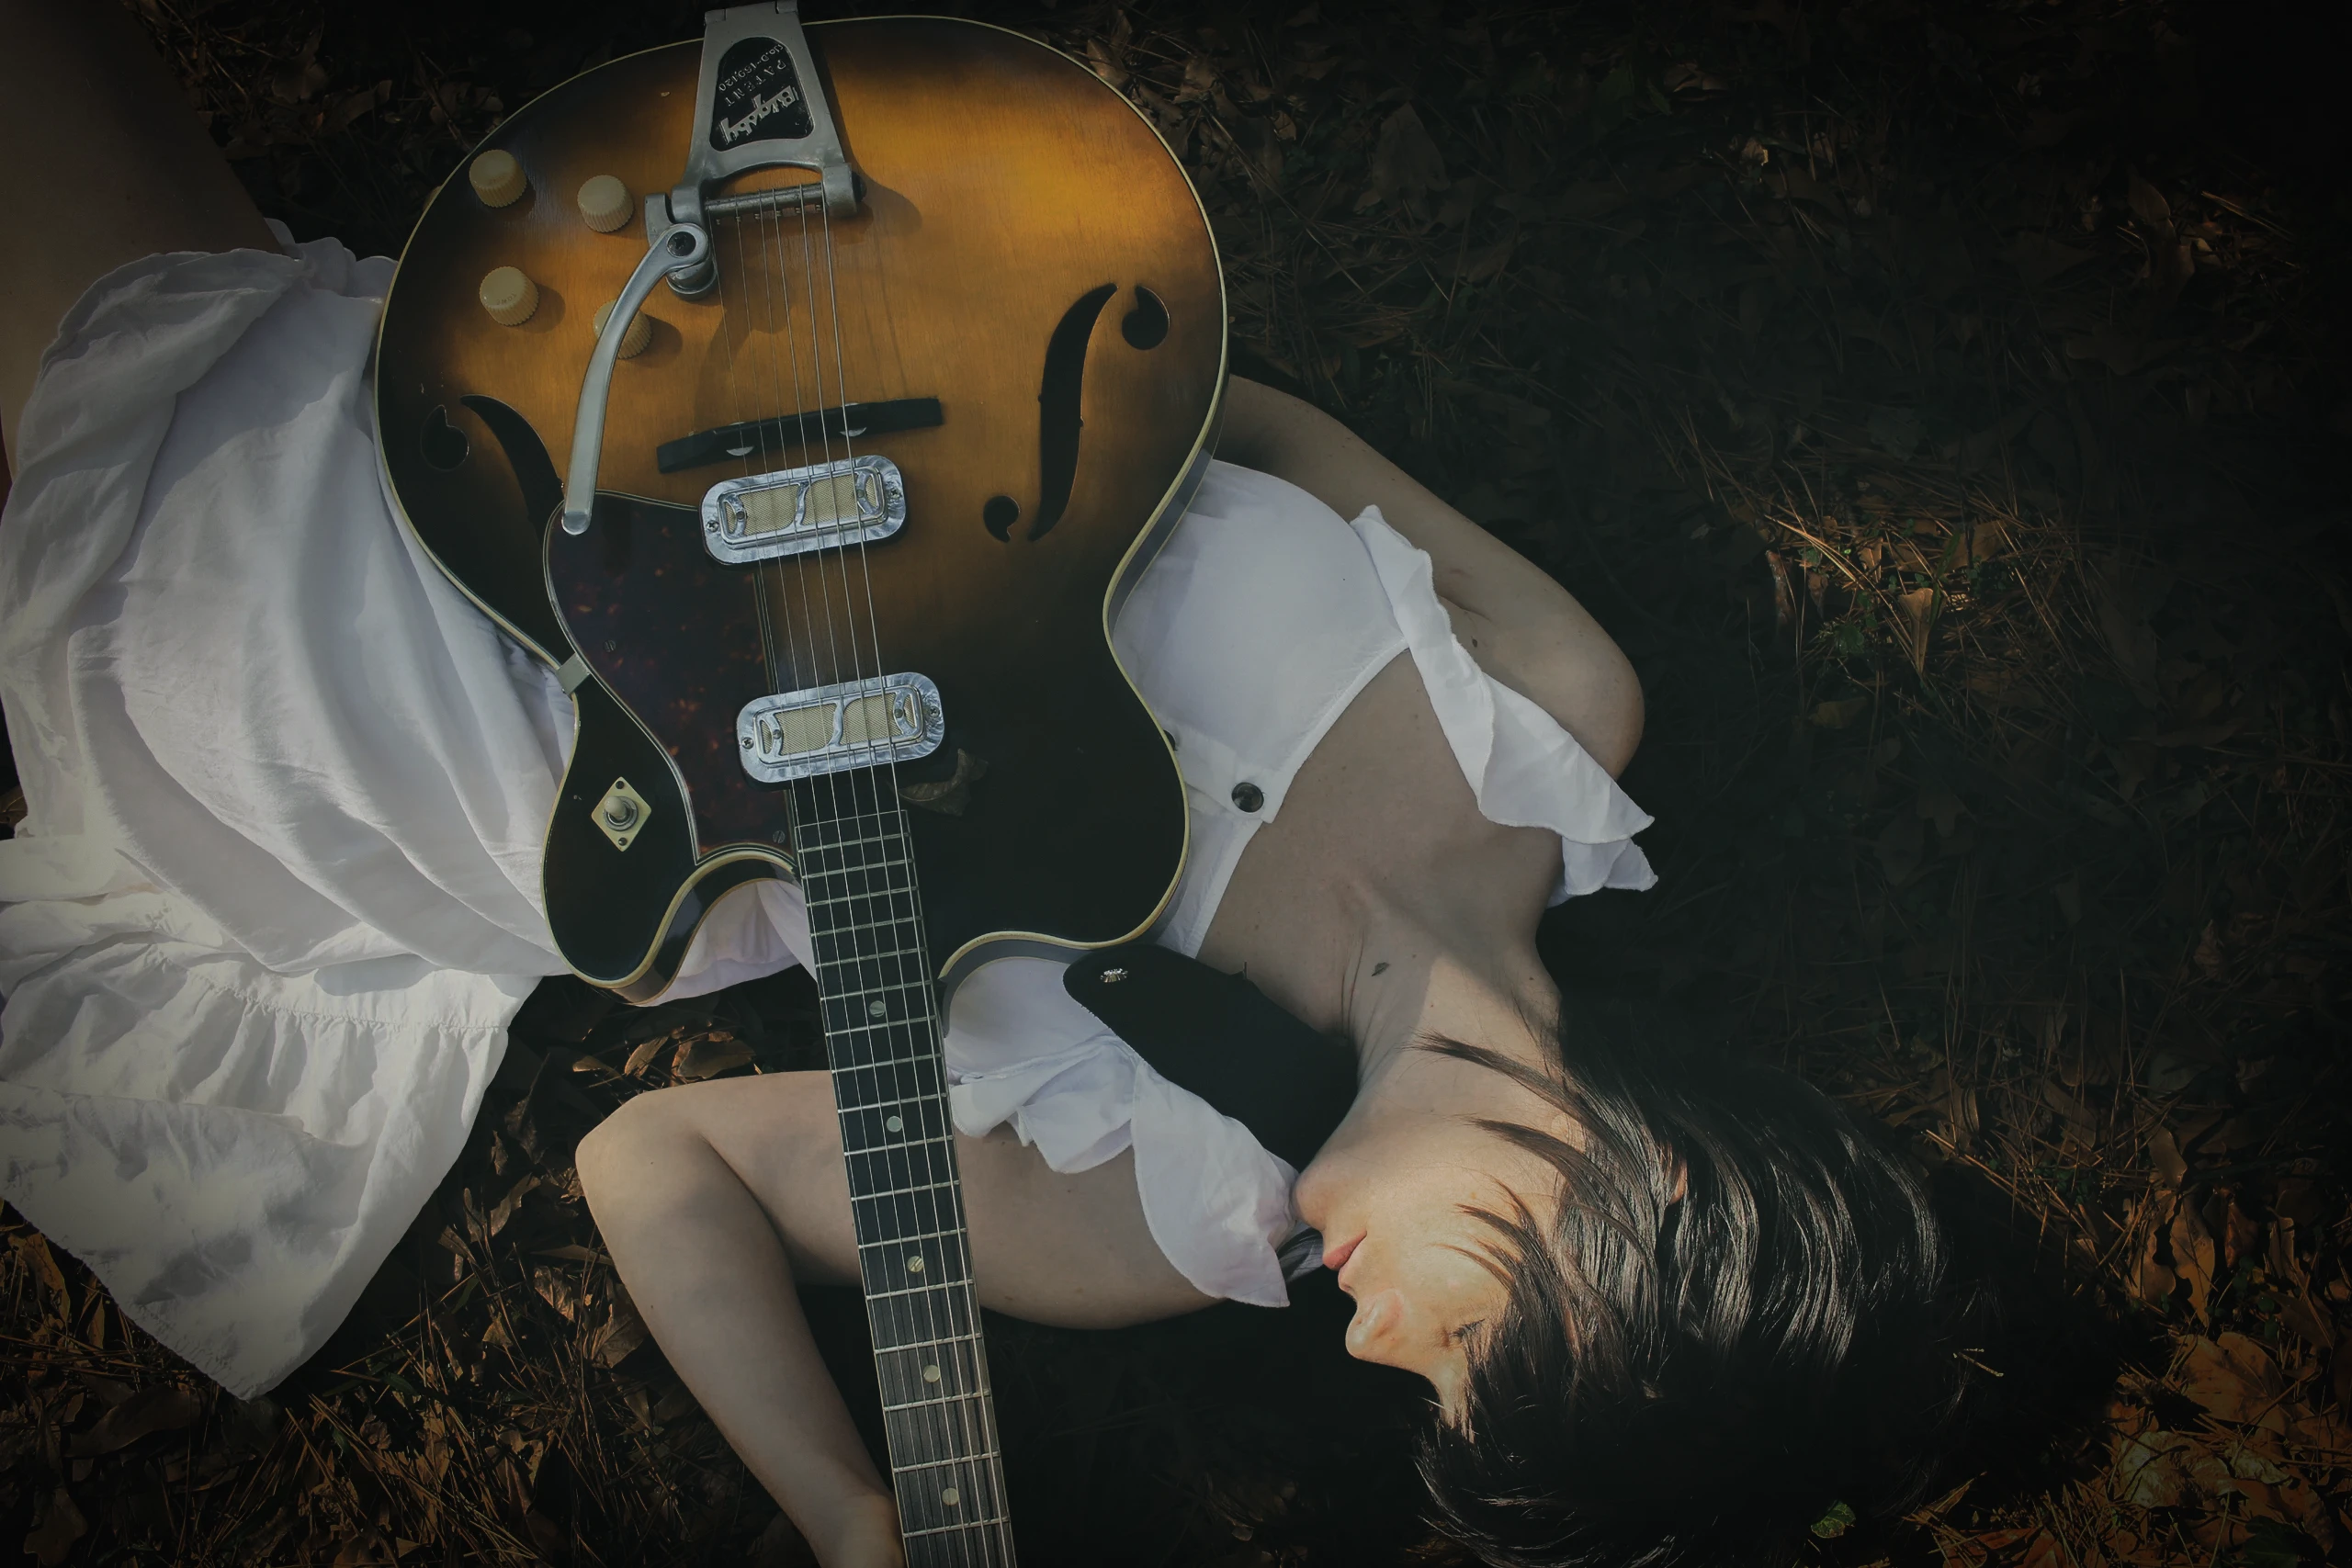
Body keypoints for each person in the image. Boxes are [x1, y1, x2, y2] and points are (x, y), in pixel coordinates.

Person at [0, 7, 1984, 1567]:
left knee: (149, 409)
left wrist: (853, 1514)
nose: (1381, 1351)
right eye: (1473, 1349)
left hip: (476, 696)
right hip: (698, 402)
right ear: (1659, 1203)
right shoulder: (1549, 711)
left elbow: (659, 1168)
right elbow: (1245, 418)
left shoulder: (1180, 1193)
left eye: (1423, 1400)